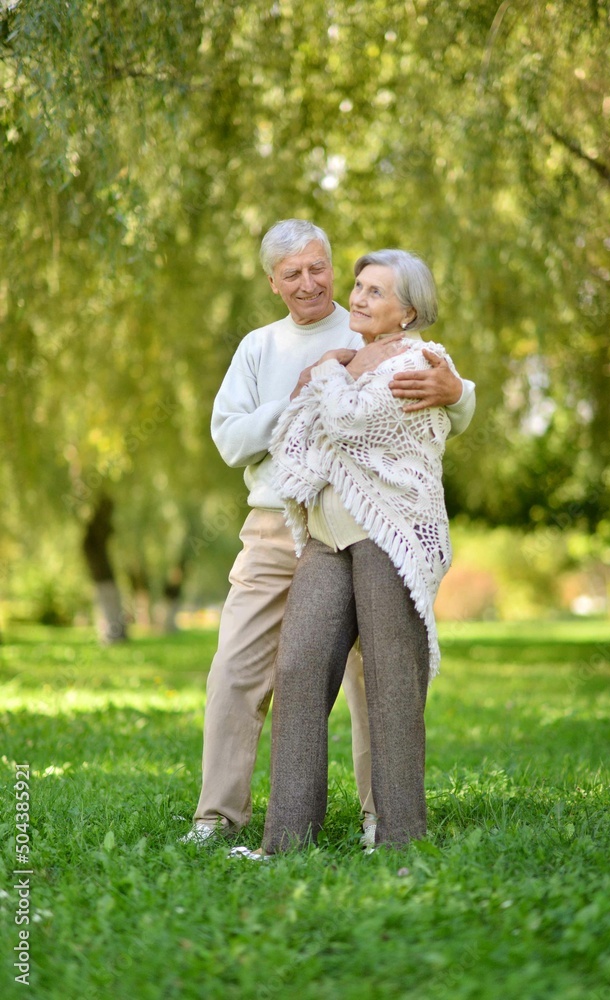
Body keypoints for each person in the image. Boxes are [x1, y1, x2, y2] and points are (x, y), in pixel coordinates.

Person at [183, 223, 476, 846]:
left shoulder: (367, 326)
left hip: (369, 531)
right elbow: (230, 439)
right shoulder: (259, 347)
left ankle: (383, 817)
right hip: (279, 527)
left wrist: (459, 392)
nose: (311, 283)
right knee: (241, 672)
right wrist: (298, 396)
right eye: (293, 274)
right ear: (273, 282)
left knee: (379, 677)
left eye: (320, 268)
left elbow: (437, 382)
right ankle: (218, 818)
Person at [249, 249, 465, 856]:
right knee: (297, 670)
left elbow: (349, 423)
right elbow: (297, 435)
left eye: (376, 291)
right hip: (328, 537)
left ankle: (400, 839)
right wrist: (328, 374)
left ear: (408, 311)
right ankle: (286, 841)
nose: (360, 298)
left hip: (389, 534)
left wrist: (323, 373)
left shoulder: (422, 359)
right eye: (360, 286)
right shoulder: (349, 357)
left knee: (392, 682)